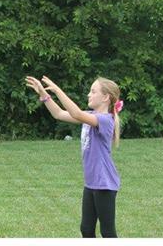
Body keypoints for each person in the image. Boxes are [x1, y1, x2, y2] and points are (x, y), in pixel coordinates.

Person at [26, 74, 123, 238]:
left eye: (93, 92)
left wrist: (57, 89)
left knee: (108, 232)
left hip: (105, 183)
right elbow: (58, 114)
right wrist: (43, 94)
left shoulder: (106, 120)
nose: (88, 94)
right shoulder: (90, 115)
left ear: (106, 97)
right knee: (86, 229)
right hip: (91, 183)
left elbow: (76, 113)